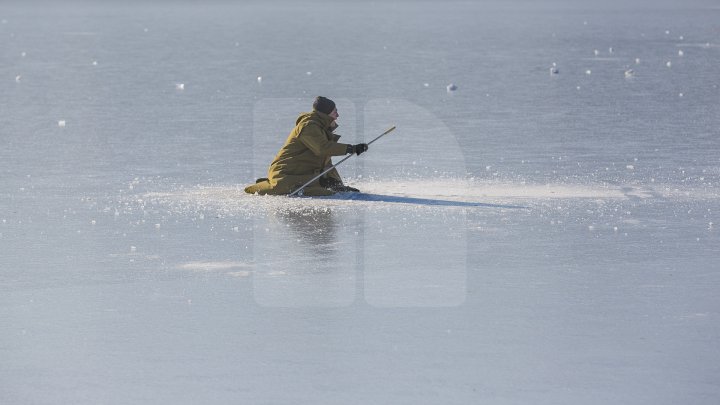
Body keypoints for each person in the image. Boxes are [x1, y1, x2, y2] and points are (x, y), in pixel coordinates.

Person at [244, 96, 368, 196]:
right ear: (325, 113)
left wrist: (336, 183)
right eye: (335, 111)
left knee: (328, 191)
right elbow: (322, 148)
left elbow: (325, 160)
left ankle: (316, 182)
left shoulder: (321, 128)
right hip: (285, 172)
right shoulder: (308, 126)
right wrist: (351, 148)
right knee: (287, 189)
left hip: (302, 171)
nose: (338, 115)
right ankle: (265, 184)